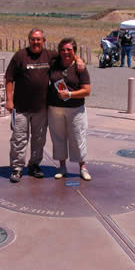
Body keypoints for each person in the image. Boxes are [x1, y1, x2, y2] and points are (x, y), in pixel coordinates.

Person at [4, 28, 84, 183]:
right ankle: (17, 168)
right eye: (33, 39)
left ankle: (34, 165)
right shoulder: (20, 56)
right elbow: (9, 78)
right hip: (20, 108)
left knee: (39, 139)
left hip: (41, 107)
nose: (36, 42)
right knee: (19, 139)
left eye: (38, 39)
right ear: (29, 40)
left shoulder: (49, 55)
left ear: (44, 41)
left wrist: (79, 59)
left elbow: (67, 55)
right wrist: (9, 100)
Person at [48, 37, 91, 181]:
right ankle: (62, 167)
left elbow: (86, 91)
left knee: (78, 137)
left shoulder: (80, 68)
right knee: (58, 138)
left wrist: (70, 94)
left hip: (75, 108)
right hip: (55, 107)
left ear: (74, 51)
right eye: (63, 49)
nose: (66, 52)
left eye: (69, 50)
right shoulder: (54, 64)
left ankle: (82, 167)